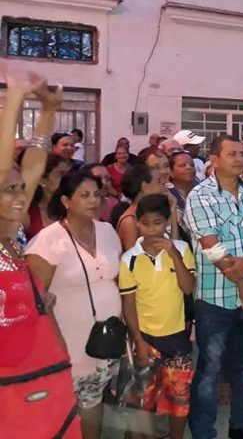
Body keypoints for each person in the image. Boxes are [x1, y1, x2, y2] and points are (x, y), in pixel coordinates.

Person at [0, 72, 81, 438]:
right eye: (8, 191)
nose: (21, 196)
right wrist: (15, 97)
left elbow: (29, 168)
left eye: (22, 190)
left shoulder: (10, 238)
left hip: (35, 371)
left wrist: (47, 111)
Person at [183, 135, 243, 439]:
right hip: (215, 298)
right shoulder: (200, 196)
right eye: (231, 154)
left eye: (241, 154)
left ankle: (241, 425)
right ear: (215, 160)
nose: (238, 159)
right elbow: (211, 246)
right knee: (209, 371)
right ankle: (204, 432)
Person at [26, 170, 123, 439]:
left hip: (106, 339)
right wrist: (52, 344)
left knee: (93, 401)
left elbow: (116, 280)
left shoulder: (106, 231)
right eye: (84, 195)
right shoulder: (49, 240)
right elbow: (37, 299)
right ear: (67, 201)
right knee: (64, 408)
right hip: (67, 342)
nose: (93, 200)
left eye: (96, 194)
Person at [119, 194, 196, 439]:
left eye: (158, 223)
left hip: (177, 339)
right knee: (142, 401)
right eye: (146, 222)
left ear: (166, 223)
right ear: (138, 223)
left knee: (179, 400)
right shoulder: (129, 258)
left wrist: (173, 254)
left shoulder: (181, 249)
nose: (152, 229)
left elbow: (188, 288)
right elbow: (129, 304)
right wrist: (138, 340)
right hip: (146, 340)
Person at [114, 164, 168, 251]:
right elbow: (134, 259)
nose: (162, 187)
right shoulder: (130, 221)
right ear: (144, 186)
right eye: (158, 182)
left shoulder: (152, 212)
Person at [25, 153, 71, 239]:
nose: (67, 180)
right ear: (42, 180)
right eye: (61, 174)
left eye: (68, 175)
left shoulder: (71, 208)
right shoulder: (29, 212)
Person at [167, 150, 199, 242]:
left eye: (192, 165)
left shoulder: (203, 191)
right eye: (182, 165)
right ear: (171, 172)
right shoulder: (167, 195)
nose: (189, 168)